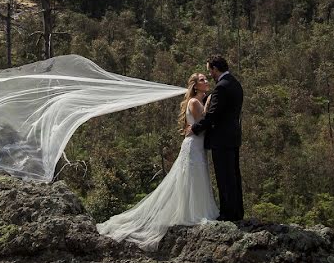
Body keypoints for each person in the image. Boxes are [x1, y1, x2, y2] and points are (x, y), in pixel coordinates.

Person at [96, 72, 219, 250]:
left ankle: (193, 210)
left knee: (194, 179)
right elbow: (205, 121)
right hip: (194, 146)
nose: (206, 82)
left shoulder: (196, 101)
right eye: (202, 80)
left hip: (197, 145)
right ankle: (192, 214)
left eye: (205, 79)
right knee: (192, 178)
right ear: (195, 85)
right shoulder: (194, 102)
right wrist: (208, 102)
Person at [187, 55, 244, 221]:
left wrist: (195, 128)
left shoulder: (221, 88)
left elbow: (213, 116)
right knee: (234, 176)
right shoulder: (236, 84)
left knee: (224, 177)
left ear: (215, 69)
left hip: (222, 139)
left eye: (210, 70)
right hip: (233, 137)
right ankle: (237, 211)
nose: (210, 74)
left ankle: (228, 213)